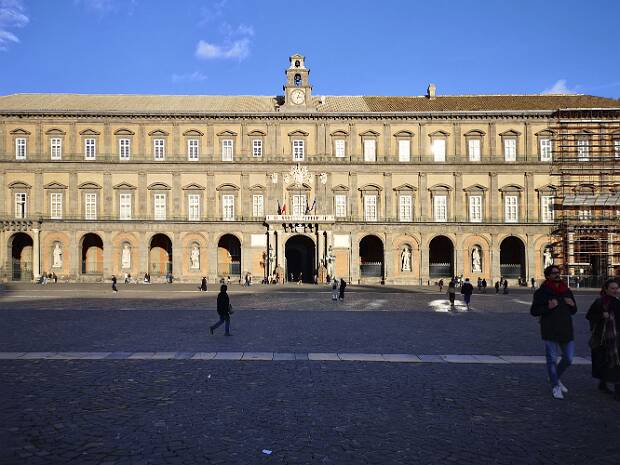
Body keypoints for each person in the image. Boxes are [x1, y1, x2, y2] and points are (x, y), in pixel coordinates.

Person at [530, 265, 578, 400]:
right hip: (550, 329)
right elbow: (534, 311)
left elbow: (574, 311)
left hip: (566, 329)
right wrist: (548, 307)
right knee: (551, 359)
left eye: (558, 272)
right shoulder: (542, 292)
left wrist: (572, 305)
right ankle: (555, 386)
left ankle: (554, 377)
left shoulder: (566, 290)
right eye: (554, 273)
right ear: (548, 276)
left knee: (568, 359)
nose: (558, 275)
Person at [586, 278, 620, 400]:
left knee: (613, 362)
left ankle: (604, 384)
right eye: (612, 288)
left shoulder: (618, 302)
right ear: (606, 289)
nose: (615, 291)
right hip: (603, 337)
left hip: (616, 337)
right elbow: (589, 316)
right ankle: (616, 390)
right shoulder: (600, 302)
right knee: (612, 362)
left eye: (617, 288)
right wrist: (601, 316)